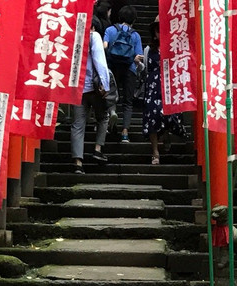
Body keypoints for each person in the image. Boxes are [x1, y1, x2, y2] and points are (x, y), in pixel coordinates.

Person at [141, 16, 187, 165]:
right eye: (158, 30)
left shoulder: (174, 47)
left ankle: (166, 133)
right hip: (153, 87)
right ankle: (155, 151)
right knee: (152, 115)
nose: (161, 33)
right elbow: (146, 70)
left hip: (170, 85)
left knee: (169, 115)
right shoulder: (149, 50)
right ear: (154, 33)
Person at [70, 28, 111, 173]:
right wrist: (105, 84)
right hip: (93, 88)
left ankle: (78, 162)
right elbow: (99, 60)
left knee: (78, 124)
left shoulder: (72, 34)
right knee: (103, 117)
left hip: (76, 88)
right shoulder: (93, 36)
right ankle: (97, 149)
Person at [104, 6, 143, 143]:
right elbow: (139, 56)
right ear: (134, 19)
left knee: (110, 95)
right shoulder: (135, 35)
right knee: (128, 101)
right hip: (129, 69)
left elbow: (104, 46)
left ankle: (111, 117)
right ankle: (125, 132)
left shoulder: (110, 30)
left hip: (112, 67)